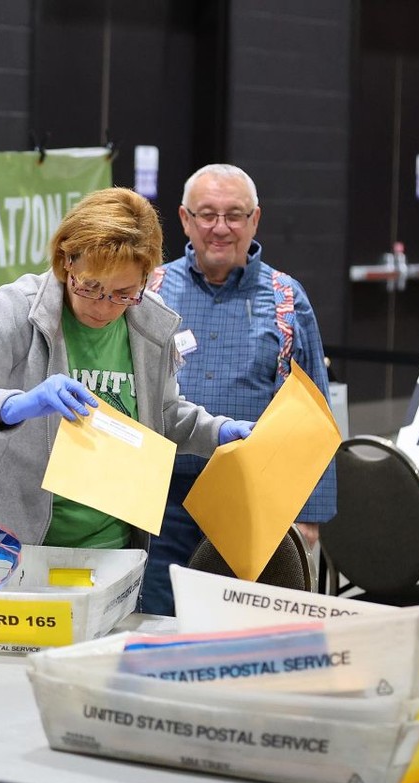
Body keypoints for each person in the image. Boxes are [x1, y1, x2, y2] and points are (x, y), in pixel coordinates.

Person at [0, 187, 255, 588]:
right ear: (65, 262)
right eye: (90, 286)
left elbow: (160, 416)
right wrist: (16, 406)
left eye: (124, 293)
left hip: (104, 552)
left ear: (146, 280)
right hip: (0, 549)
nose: (103, 306)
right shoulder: (20, 310)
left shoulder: (150, 324)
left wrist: (217, 432)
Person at [141, 163, 337, 615]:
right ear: (186, 219)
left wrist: (309, 514)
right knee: (156, 618)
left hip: (254, 502)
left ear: (254, 220)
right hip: (161, 502)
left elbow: (315, 409)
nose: (220, 228)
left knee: (244, 626)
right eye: (207, 214)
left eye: (234, 215)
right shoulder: (151, 290)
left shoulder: (287, 298)